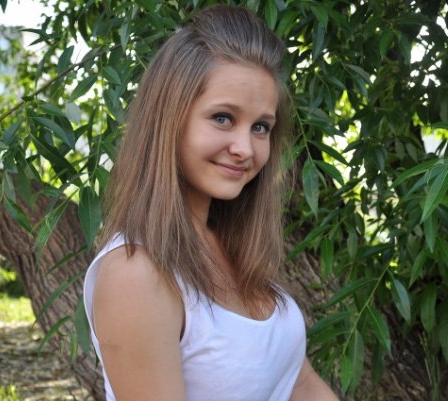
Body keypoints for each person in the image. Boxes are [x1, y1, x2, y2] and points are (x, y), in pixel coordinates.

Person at [83, 4, 339, 401]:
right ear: (169, 119)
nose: (245, 149)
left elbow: (300, 383)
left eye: (260, 127)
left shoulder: (230, 244)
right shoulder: (137, 273)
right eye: (223, 118)